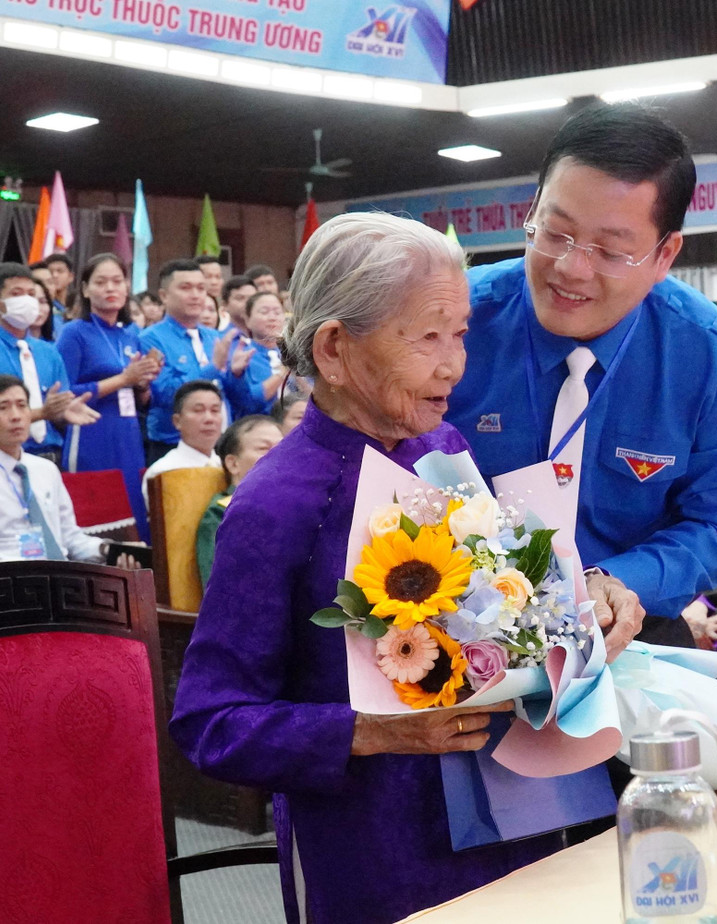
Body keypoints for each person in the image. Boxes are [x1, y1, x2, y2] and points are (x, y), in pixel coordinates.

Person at [172, 212, 640, 924]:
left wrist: (582, 598)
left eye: (459, 334)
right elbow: (211, 721)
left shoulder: (441, 445)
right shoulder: (277, 503)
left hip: (510, 811)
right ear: (334, 348)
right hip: (374, 846)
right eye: (427, 337)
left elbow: (497, 598)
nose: (455, 364)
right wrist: (374, 731)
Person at [445, 104, 717, 646]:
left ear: (665, 255)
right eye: (556, 233)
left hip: (626, 625)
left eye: (612, 252)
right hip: (453, 622)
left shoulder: (707, 355)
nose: (571, 268)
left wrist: (618, 582)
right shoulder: (454, 320)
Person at [0, 375, 130, 569]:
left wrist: (107, 550)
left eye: (22, 405)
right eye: (3, 407)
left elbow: (70, 538)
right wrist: (18, 569)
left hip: (60, 581)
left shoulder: (46, 470)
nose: (16, 416)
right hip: (5, 587)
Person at [56, 254, 162, 532]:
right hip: (91, 431)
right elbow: (64, 394)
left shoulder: (130, 335)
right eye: (100, 282)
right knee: (96, 518)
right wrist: (124, 378)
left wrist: (143, 383)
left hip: (128, 433)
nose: (110, 288)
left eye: (117, 281)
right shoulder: (74, 332)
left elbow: (142, 399)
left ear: (127, 288)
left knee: (133, 516)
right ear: (85, 289)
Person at [0, 262, 99, 465]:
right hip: (3, 459)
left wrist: (64, 411)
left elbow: (60, 407)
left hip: (52, 457)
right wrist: (42, 413)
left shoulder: (48, 352)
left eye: (30, 294)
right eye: (17, 294)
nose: (27, 301)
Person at [139, 259, 248, 463]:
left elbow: (235, 398)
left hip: (221, 443)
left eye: (201, 288)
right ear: (163, 295)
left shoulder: (213, 336)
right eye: (186, 288)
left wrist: (237, 375)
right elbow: (164, 394)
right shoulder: (151, 339)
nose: (196, 295)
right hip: (172, 445)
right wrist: (213, 367)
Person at [196, 414, 283, 586]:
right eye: (264, 449)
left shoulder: (294, 508)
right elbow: (220, 590)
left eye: (282, 447)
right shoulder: (221, 514)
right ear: (233, 463)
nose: (278, 455)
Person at [142, 380, 225, 499]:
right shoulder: (164, 472)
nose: (209, 419)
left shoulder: (229, 468)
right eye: (198, 410)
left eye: (215, 411)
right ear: (177, 421)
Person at [228, 291, 291, 416]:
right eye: (264, 312)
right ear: (247, 319)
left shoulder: (293, 352)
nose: (272, 317)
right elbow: (248, 401)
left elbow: (311, 395)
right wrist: (283, 371)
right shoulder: (241, 354)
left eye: (277, 312)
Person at [222, 275, 257, 339]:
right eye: (240, 298)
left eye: (252, 298)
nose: (247, 303)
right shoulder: (219, 340)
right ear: (225, 305)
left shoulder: (268, 340)